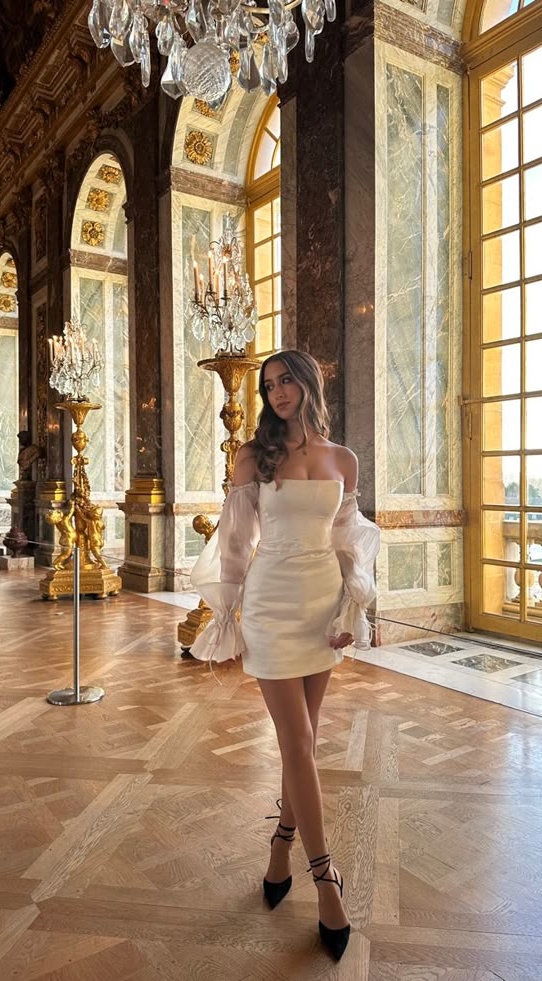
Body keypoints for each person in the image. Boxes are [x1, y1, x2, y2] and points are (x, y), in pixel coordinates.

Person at [190, 350, 380, 961]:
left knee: (307, 741)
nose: (276, 392)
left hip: (321, 605)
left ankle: (280, 848)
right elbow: (236, 539)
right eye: (268, 385)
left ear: (308, 383)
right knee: (298, 743)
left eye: (284, 381)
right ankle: (326, 878)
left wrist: (354, 608)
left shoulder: (342, 459)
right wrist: (229, 611)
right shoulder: (254, 456)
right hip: (271, 604)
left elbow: (351, 544)